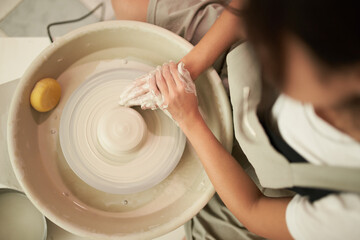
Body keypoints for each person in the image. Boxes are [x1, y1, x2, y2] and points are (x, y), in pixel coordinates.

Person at [112, 0, 360, 239]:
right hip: (240, 67)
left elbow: (253, 209)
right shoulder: (326, 27)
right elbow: (249, 8)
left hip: (264, 178)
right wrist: (188, 67)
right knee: (127, 4)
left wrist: (190, 120)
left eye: (280, 57)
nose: (272, 57)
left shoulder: (350, 215)